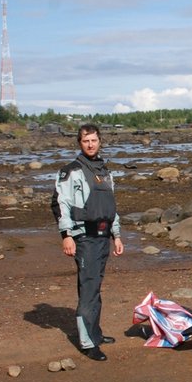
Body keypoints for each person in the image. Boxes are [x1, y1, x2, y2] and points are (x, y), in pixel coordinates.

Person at [52, 124, 124, 361]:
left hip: (103, 237)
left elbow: (111, 207)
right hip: (84, 238)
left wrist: (117, 235)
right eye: (86, 141)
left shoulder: (104, 171)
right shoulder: (70, 171)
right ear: (79, 143)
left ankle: (96, 333)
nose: (90, 144)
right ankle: (87, 342)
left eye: (94, 140)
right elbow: (61, 204)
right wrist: (67, 236)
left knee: (95, 286)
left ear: (100, 141)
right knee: (89, 288)